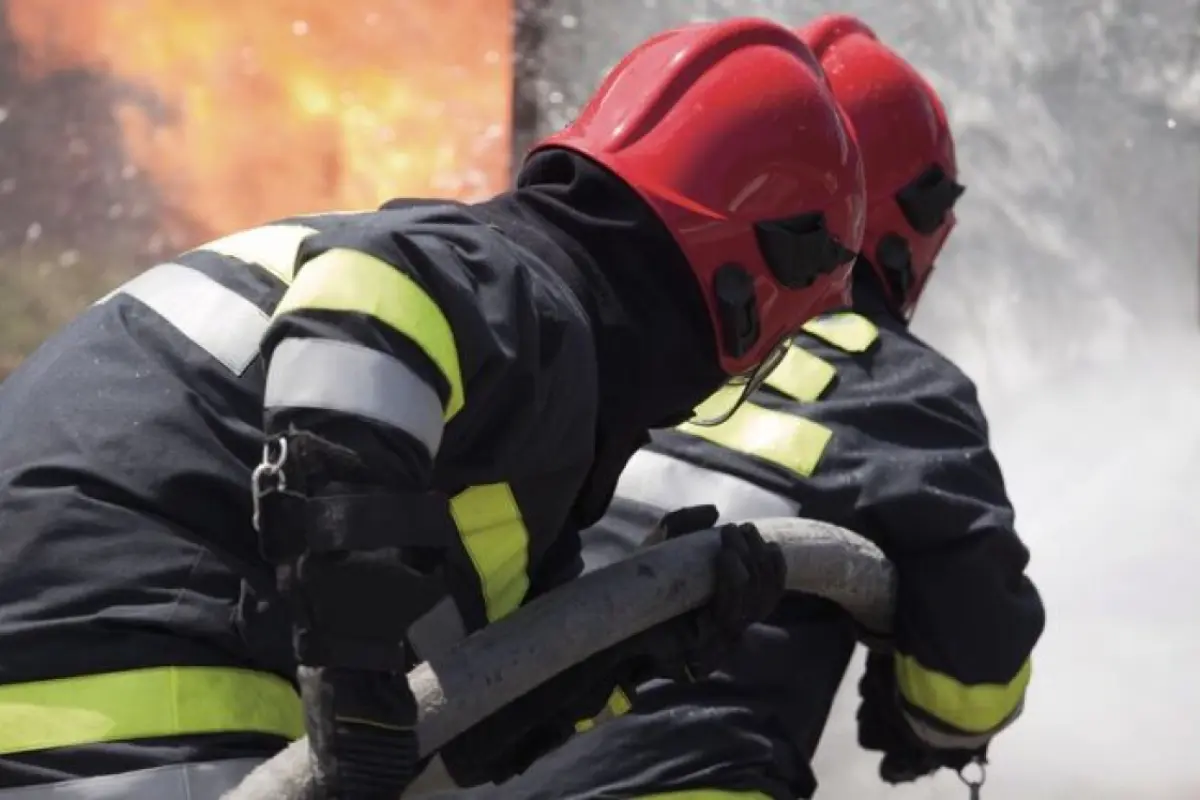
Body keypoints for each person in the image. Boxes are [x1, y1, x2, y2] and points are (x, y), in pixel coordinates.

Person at [0, 16, 866, 800]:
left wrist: (632, 645)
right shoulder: (509, 291)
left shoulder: (495, 401)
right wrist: (353, 663)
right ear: (749, 293)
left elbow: (452, 726)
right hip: (134, 696)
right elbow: (369, 304)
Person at [440, 14, 1046, 800]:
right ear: (909, 222)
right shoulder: (899, 389)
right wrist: (918, 704)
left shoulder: (598, 335)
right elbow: (969, 690)